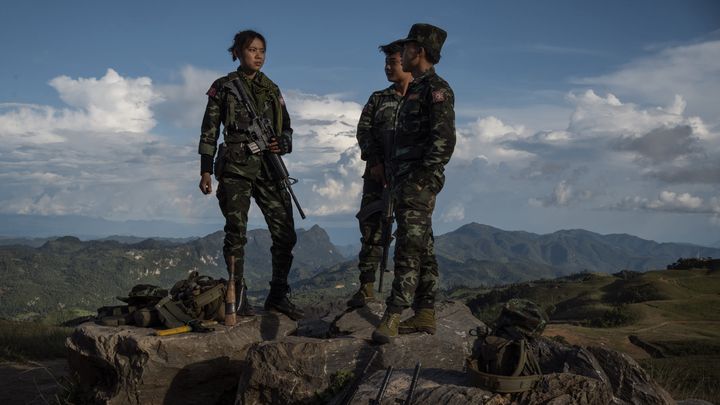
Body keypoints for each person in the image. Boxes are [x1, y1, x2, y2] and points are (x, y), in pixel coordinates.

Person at [198, 29, 303, 320]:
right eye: (252, 50)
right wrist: (206, 170)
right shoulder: (224, 86)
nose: (258, 55)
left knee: (285, 233)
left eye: (262, 51)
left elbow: (287, 128)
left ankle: (278, 295)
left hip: (269, 167)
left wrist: (283, 142)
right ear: (237, 53)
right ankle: (237, 297)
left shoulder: (272, 89)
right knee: (236, 234)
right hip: (236, 168)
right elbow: (209, 130)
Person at [372, 23, 456, 344]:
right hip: (403, 180)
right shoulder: (416, 90)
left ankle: (393, 314)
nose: (401, 53)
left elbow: (444, 140)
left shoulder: (436, 90)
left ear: (418, 52)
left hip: (417, 183)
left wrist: (422, 180)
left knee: (407, 247)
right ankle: (425, 312)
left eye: (406, 48)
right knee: (425, 245)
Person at [347, 40, 413, 308]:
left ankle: (408, 293)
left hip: (408, 178)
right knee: (372, 228)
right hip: (377, 176)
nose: (387, 68)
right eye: (385, 63)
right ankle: (366, 287)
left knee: (411, 234)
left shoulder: (420, 98)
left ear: (407, 62)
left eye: (393, 63)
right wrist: (374, 161)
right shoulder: (378, 99)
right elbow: (363, 131)